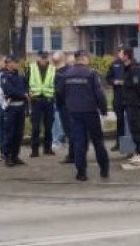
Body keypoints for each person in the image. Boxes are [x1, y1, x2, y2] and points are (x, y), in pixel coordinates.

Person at [57, 49, 110, 182]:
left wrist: (67, 105)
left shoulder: (67, 74)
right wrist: (103, 110)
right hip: (90, 112)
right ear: (85, 58)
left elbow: (59, 93)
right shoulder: (91, 74)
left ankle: (81, 173)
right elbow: (100, 94)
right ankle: (104, 170)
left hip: (74, 113)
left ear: (75, 59)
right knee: (98, 142)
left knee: (79, 143)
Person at [118, 47, 140, 165]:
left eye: (121, 53)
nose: (119, 55)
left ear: (126, 56)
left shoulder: (134, 69)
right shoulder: (127, 69)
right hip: (129, 103)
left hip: (134, 103)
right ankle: (138, 151)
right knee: (133, 129)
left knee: (136, 129)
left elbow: (139, 86)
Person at [0, 56, 30, 167]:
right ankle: (7, 156)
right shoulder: (4, 77)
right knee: (10, 134)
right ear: (8, 64)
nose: (17, 64)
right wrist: (23, 95)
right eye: (14, 62)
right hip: (11, 109)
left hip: (20, 108)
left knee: (18, 134)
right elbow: (9, 91)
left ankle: (15, 156)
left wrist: (25, 94)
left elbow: (25, 88)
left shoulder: (20, 76)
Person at [26, 50, 56, 157]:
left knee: (48, 126)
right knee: (35, 127)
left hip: (48, 100)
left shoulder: (53, 69)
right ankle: (34, 150)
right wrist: (28, 92)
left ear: (48, 58)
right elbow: (26, 82)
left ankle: (47, 149)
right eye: (42, 57)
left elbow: (55, 84)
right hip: (36, 100)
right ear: (38, 58)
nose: (43, 59)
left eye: (45, 57)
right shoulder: (31, 68)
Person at [105, 53, 127, 152]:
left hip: (129, 96)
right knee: (120, 120)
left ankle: (130, 142)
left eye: (122, 52)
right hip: (118, 96)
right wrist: (115, 82)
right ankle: (119, 143)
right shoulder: (114, 64)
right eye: (119, 52)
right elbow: (108, 78)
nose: (120, 54)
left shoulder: (130, 64)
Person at [50, 51, 69, 152]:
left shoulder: (67, 70)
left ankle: (61, 140)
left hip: (64, 101)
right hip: (55, 100)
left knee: (62, 122)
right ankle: (59, 140)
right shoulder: (53, 70)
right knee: (56, 121)